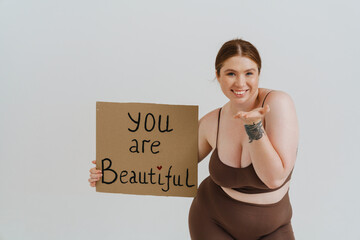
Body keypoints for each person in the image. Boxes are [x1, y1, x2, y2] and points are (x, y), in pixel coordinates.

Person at [88, 38, 299, 240]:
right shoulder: (210, 123)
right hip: (212, 221)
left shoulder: (277, 104)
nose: (240, 82)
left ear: (258, 74)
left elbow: (274, 178)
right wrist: (111, 168)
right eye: (231, 73)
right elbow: (169, 164)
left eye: (249, 73)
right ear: (218, 76)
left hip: (273, 228)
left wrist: (253, 127)